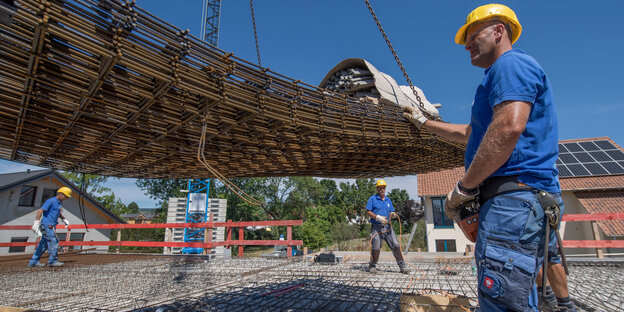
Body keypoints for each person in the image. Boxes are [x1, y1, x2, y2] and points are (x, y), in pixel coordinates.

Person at [402, 4, 575, 311]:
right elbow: (472, 133)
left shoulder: (509, 65)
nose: (466, 44)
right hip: (530, 199)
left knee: (502, 300)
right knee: (532, 277)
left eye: (472, 35)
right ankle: (562, 305)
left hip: (513, 202)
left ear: (498, 31)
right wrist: (424, 123)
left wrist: (466, 186)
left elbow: (508, 127)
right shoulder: (502, 75)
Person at [365, 180, 409, 274]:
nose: (382, 189)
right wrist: (377, 217)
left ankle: (402, 266)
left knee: (396, 245)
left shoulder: (388, 200)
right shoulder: (373, 199)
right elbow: (368, 212)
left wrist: (392, 214)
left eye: (383, 188)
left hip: (388, 227)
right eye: (380, 188)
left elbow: (391, 211)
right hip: (377, 227)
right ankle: (372, 265)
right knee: (376, 246)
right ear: (377, 188)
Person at [28, 187, 72, 268]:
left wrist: (63, 219)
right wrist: (36, 222)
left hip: (51, 225)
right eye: (65, 196)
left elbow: (56, 212)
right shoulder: (51, 201)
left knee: (43, 244)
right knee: (54, 241)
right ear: (61, 194)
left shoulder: (59, 203)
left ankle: (33, 262)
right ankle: (52, 261)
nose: (66, 198)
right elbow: (40, 210)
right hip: (47, 225)